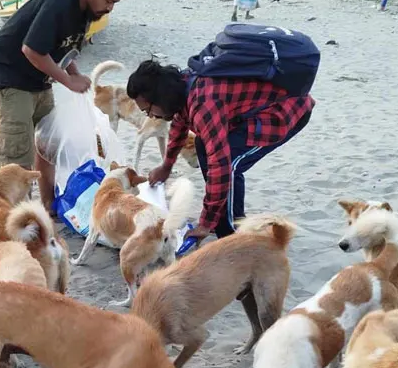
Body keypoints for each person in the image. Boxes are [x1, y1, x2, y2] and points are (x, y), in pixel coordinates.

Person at [0, 0, 129, 211]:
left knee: (48, 143)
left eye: (115, 3)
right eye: (108, 0)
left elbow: (63, 48)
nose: (110, 8)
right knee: (17, 154)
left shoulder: (87, 12)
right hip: (10, 78)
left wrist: (74, 72)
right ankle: (14, 214)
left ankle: (48, 204)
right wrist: (67, 81)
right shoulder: (59, 1)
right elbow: (31, 49)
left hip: (39, 79)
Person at [127, 59, 314, 242]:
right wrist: (166, 166)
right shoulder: (181, 86)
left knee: (230, 164)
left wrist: (205, 223)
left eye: (148, 110)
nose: (151, 116)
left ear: (159, 97)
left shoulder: (203, 103)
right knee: (202, 145)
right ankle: (224, 221)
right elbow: (179, 124)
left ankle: (233, 235)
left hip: (285, 111)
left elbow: (220, 166)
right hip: (257, 110)